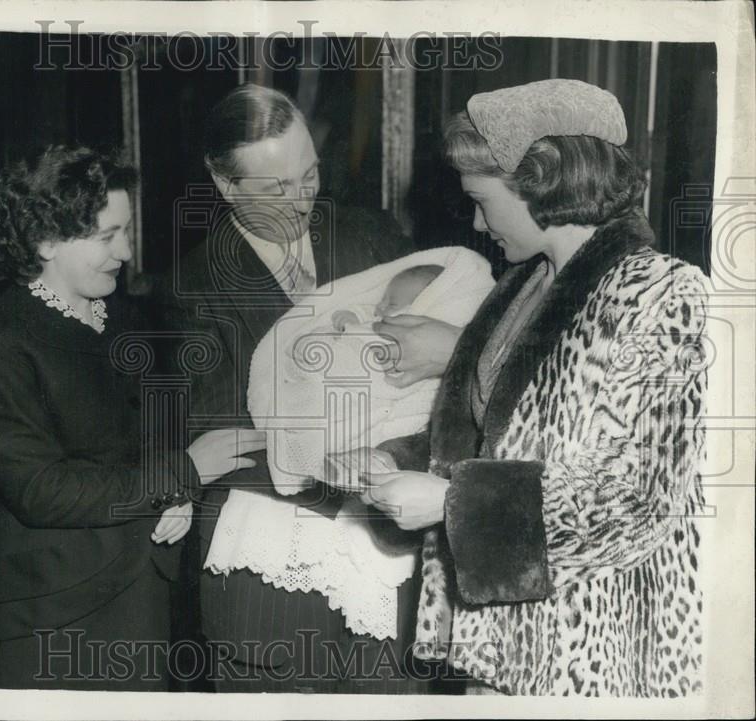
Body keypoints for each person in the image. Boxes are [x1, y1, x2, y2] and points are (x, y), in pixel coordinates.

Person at [364, 79, 707, 696]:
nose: (475, 220)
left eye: (481, 200)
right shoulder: (523, 285)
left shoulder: (663, 294)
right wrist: (394, 459)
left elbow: (639, 499)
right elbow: (498, 440)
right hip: (500, 644)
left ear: (542, 181)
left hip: (592, 652)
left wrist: (449, 503)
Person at [0, 146, 263, 690]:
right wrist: (182, 474)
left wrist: (179, 496)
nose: (124, 251)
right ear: (44, 240)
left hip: (143, 591)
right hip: (47, 613)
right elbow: (41, 489)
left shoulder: (127, 317)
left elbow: (153, 439)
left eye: (126, 231)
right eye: (106, 236)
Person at [165, 83, 426, 693]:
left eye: (309, 175)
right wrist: (340, 453)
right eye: (278, 188)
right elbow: (219, 437)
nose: (303, 199)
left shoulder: (375, 237)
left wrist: (396, 455)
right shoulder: (191, 288)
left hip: (387, 566)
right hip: (273, 590)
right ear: (227, 186)